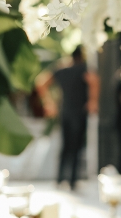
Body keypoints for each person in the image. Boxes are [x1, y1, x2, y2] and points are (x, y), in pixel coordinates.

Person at [36, 46, 99, 189]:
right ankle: (71, 181)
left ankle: (60, 179)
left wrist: (49, 102)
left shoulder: (62, 70)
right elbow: (94, 80)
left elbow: (41, 82)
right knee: (75, 147)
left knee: (65, 147)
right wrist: (93, 101)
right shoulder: (83, 69)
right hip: (78, 113)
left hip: (64, 113)